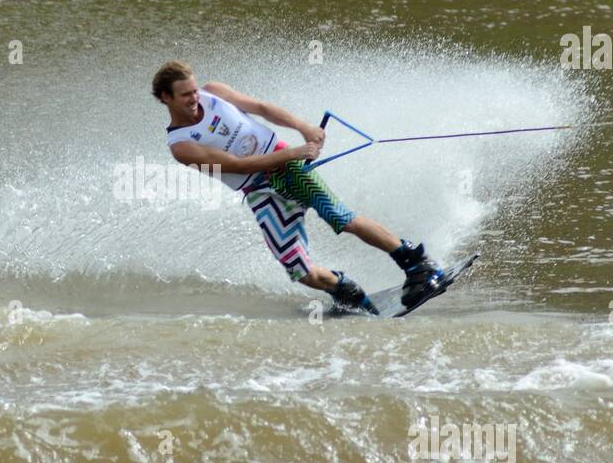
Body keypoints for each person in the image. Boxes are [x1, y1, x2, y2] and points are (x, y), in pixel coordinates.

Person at [153, 60, 444, 314]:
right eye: (185, 95)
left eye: (194, 90)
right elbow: (239, 166)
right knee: (300, 271)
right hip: (259, 190)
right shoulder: (181, 146)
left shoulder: (214, 92)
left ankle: (416, 264)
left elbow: (262, 109)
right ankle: (347, 293)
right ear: (166, 97)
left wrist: (303, 128)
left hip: (288, 169)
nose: (195, 98)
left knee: (340, 218)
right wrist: (295, 152)